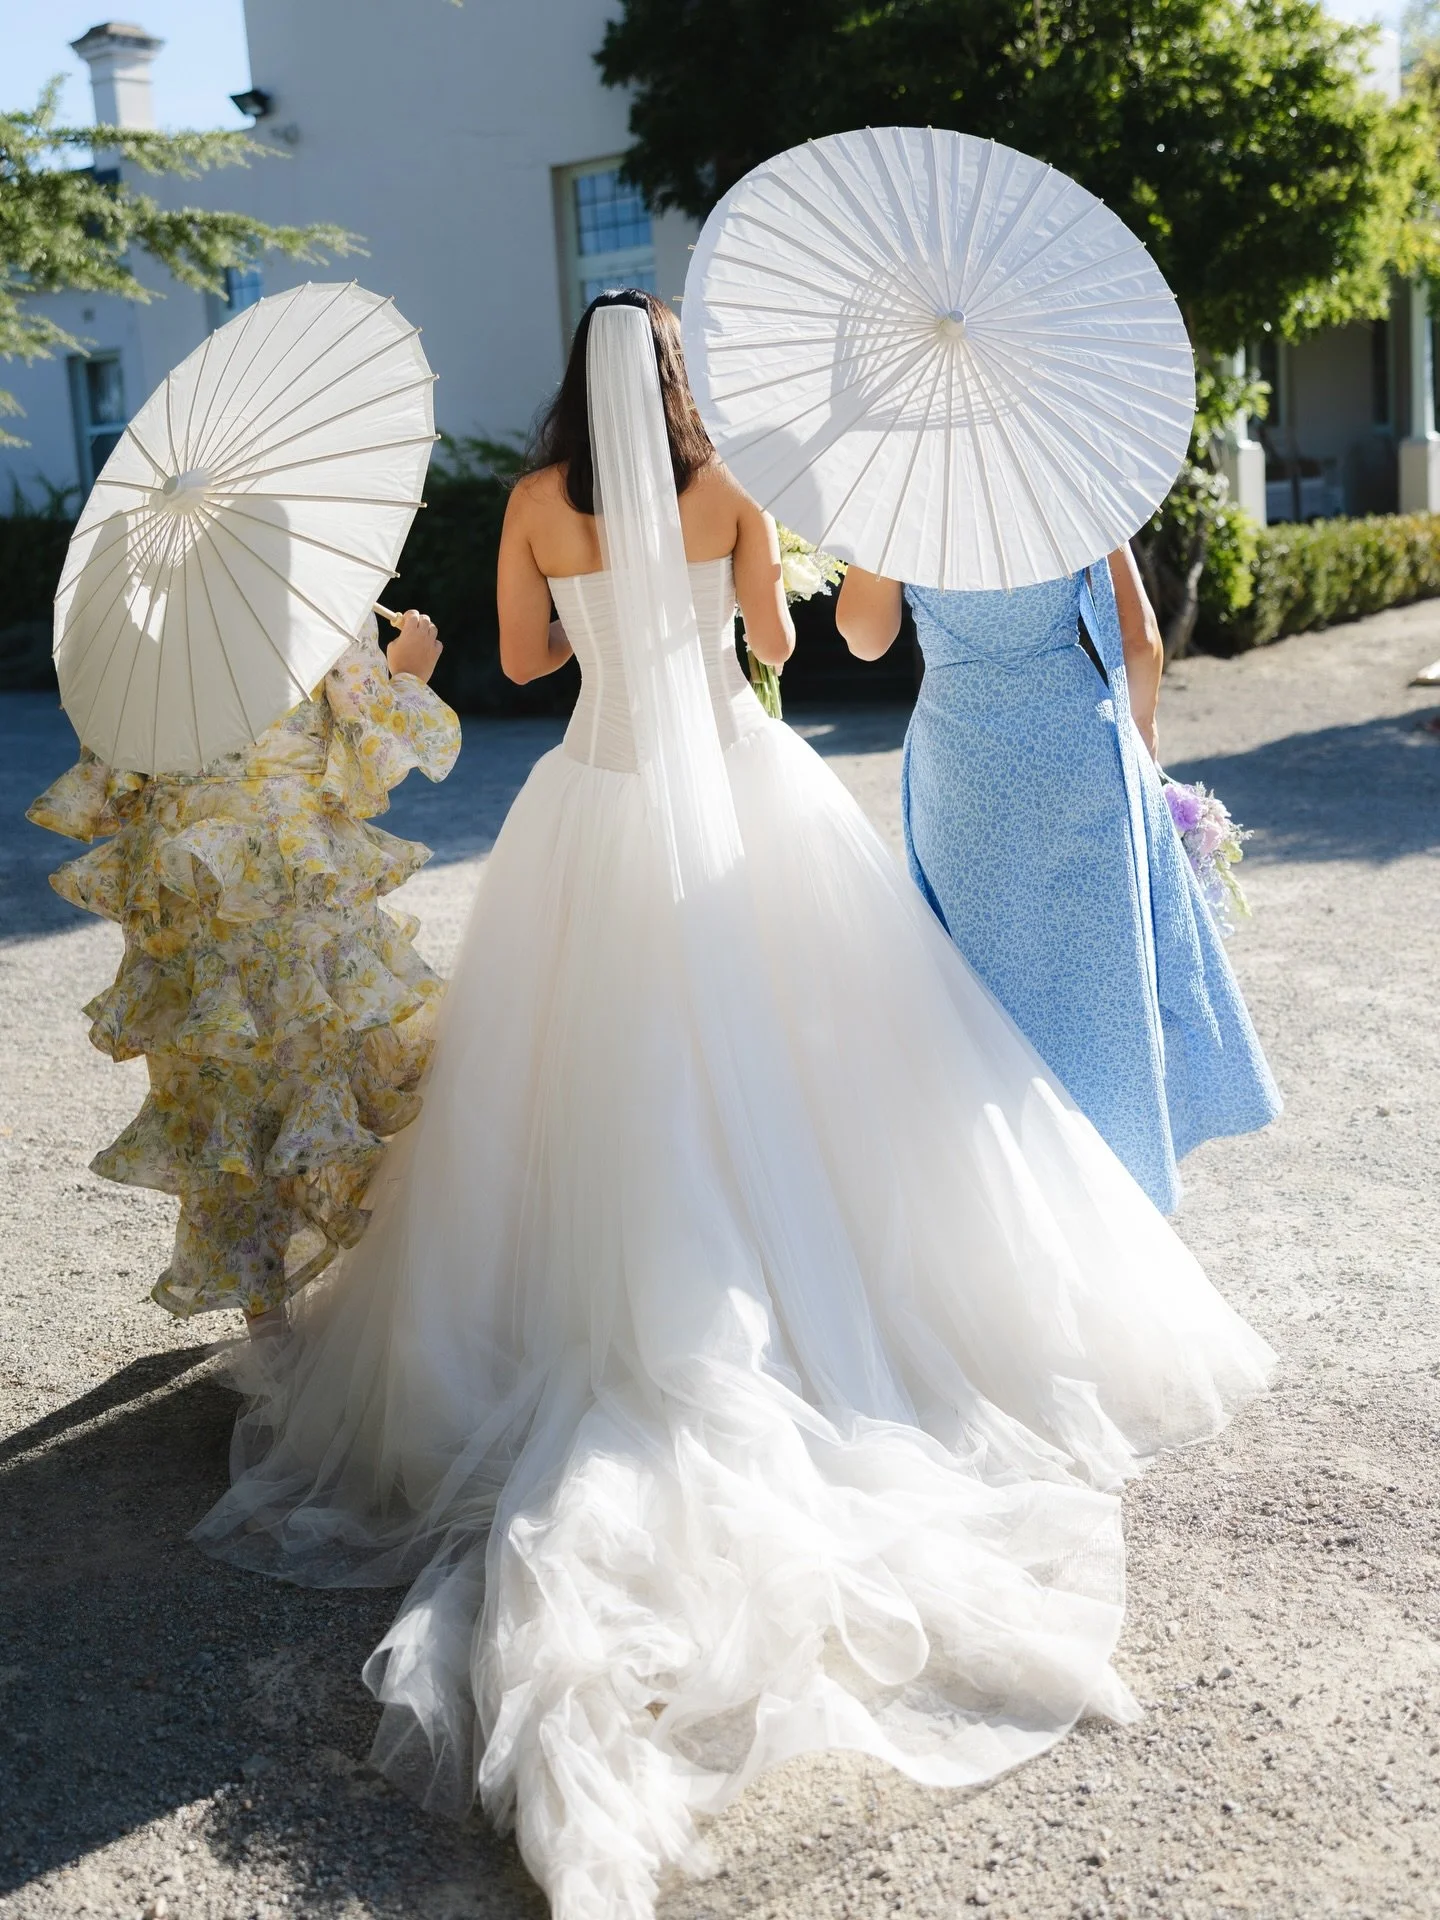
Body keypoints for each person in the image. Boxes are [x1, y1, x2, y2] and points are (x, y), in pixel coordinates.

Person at [194, 292, 1274, 1920]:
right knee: (822, 1075)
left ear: (576, 378)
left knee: (570, 1100)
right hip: (738, 817)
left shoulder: (537, 505)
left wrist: (588, 613)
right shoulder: (735, 495)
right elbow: (778, 649)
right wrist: (745, 603)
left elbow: (525, 660)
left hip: (592, 809)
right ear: (681, 383)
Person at [28, 608, 458, 1333]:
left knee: (221, 1075)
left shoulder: (144, 620)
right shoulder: (315, 606)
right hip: (292, 862)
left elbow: (117, 771)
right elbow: (374, 747)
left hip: (190, 867)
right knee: (324, 1056)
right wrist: (410, 669)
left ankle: (264, 1313)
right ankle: (374, 1277)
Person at [836, 557, 1281, 1212]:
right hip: (1077, 748)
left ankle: (1010, 1197)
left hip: (964, 764)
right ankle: (1121, 1188)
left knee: (983, 985)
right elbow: (1139, 640)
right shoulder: (1061, 472)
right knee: (1100, 984)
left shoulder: (910, 509)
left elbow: (865, 639)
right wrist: (1142, 744)